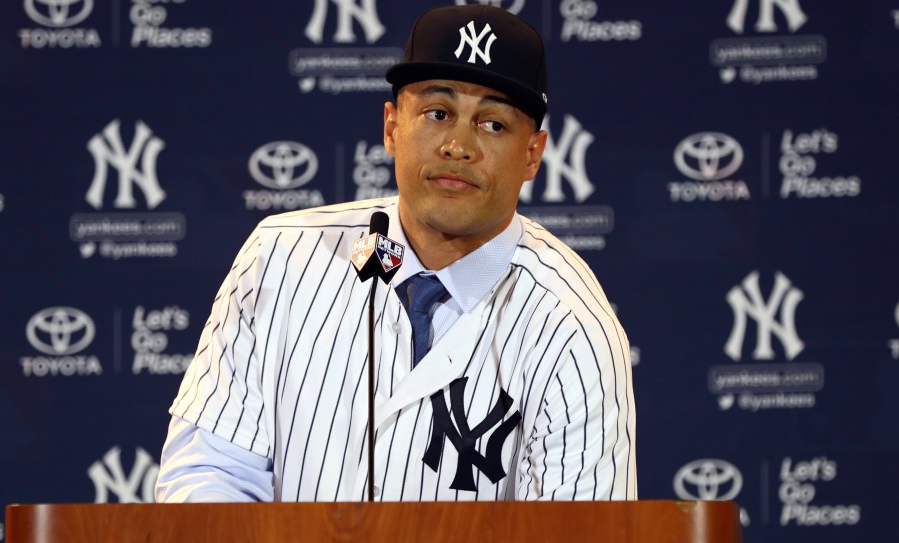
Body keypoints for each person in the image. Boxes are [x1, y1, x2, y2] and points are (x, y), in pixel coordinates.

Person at [155, 5, 636, 502]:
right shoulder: (281, 258)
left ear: (533, 153)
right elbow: (210, 476)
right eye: (437, 113)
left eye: (493, 124)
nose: (458, 145)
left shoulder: (571, 326)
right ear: (391, 127)